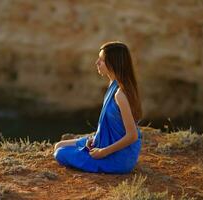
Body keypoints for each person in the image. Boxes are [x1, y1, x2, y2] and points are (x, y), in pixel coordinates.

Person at [53, 41, 143, 174]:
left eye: (101, 60)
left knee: (60, 153)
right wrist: (94, 140)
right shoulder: (113, 83)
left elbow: (132, 136)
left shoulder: (120, 95)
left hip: (118, 158)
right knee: (59, 145)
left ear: (113, 64)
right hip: (104, 141)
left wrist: (103, 152)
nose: (97, 63)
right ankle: (94, 143)